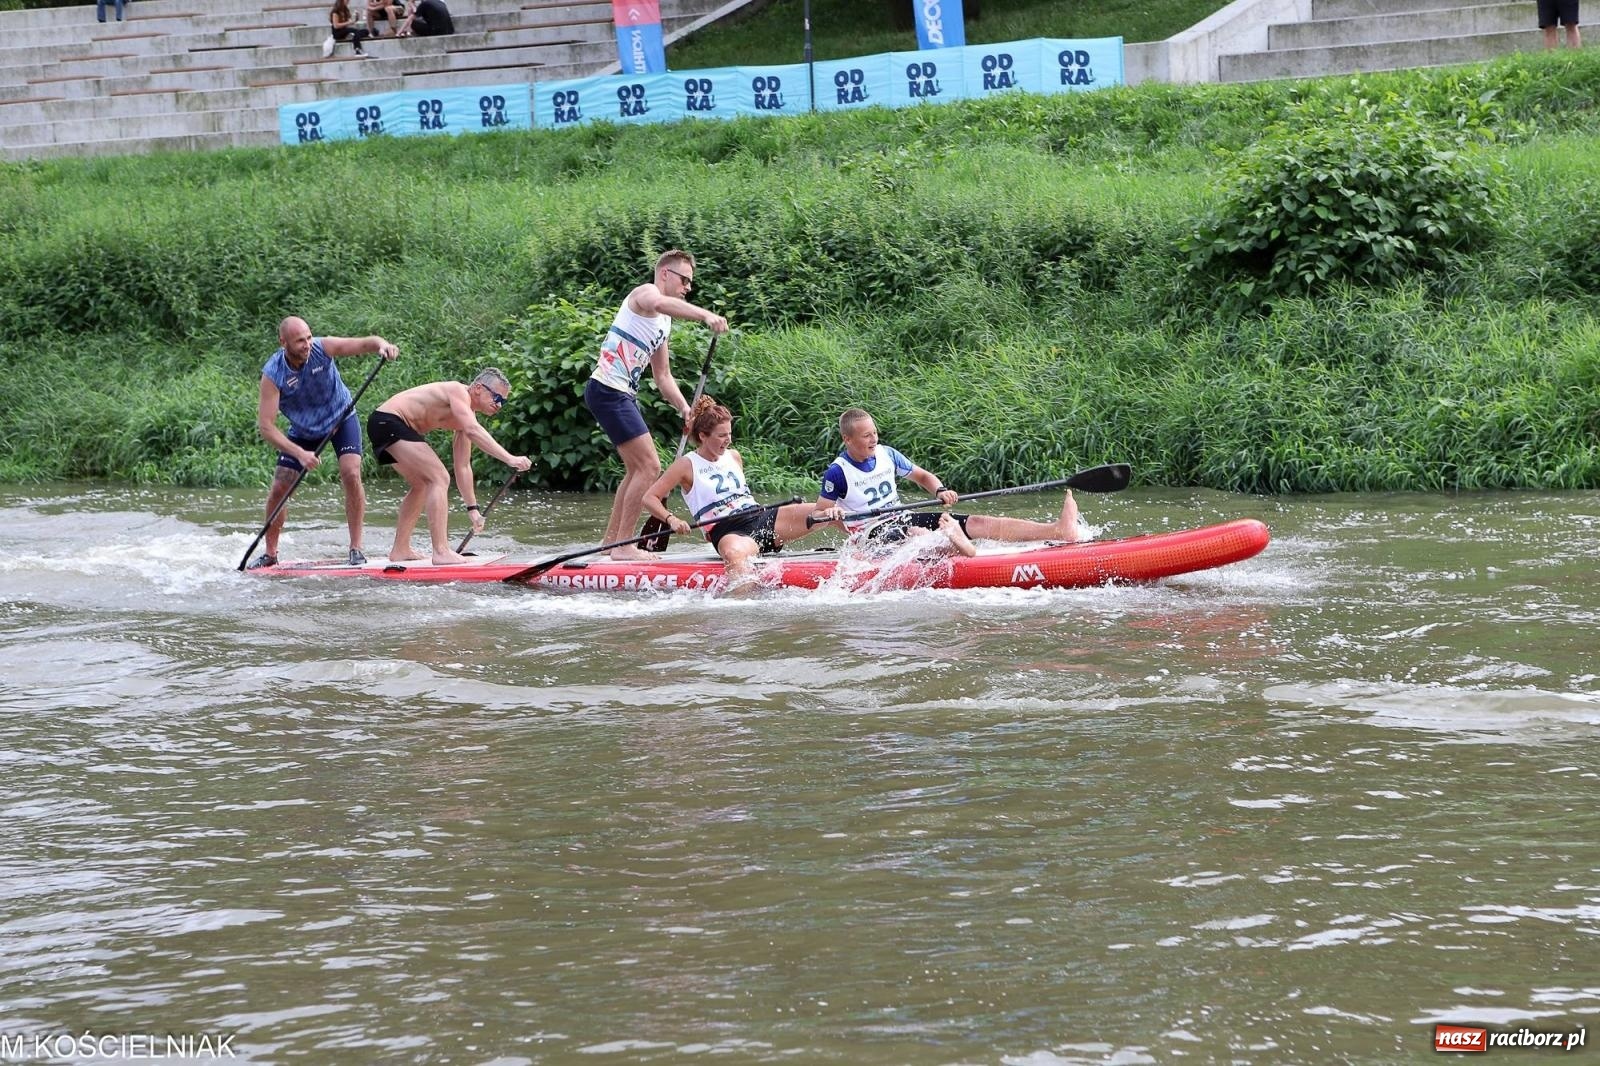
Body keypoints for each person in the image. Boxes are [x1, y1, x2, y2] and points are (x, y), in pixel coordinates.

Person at [585, 249, 729, 562]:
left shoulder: (663, 323)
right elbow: (661, 302)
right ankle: (624, 546)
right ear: (664, 273)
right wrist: (705, 315)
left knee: (636, 469)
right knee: (650, 466)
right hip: (608, 389)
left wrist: (684, 409)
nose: (688, 286)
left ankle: (611, 543)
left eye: (691, 282)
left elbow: (662, 376)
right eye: (684, 279)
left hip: (620, 394)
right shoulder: (646, 294)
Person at [813, 407, 1086, 549]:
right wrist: (836, 516)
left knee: (975, 522)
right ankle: (958, 555)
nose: (874, 439)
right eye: (866, 435)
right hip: (872, 533)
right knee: (917, 535)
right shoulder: (838, 472)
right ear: (847, 439)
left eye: (874, 432)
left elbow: (922, 476)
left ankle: (1056, 531)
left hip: (901, 517)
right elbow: (820, 511)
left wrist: (940, 490)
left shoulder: (887, 454)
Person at [250, 317, 399, 570]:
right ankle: (271, 553)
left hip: (342, 418)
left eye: (308, 337)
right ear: (283, 342)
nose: (307, 344)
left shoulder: (322, 348)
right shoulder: (273, 373)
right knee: (279, 489)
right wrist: (299, 453)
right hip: (303, 431)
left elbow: (363, 344)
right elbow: (266, 426)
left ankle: (356, 549)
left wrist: (381, 345)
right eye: (300, 341)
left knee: (351, 472)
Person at [643, 396, 842, 581]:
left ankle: (869, 548)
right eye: (721, 435)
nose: (728, 439)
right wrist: (672, 519)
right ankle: (745, 607)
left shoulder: (734, 456)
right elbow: (650, 497)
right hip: (729, 531)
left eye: (729, 433)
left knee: (826, 513)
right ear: (703, 436)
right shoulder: (686, 465)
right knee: (733, 554)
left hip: (760, 518)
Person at [366, 368, 531, 565]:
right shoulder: (457, 391)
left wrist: (473, 509)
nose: (498, 404)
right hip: (388, 421)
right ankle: (441, 552)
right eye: (496, 397)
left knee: (422, 485)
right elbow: (473, 430)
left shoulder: (465, 418)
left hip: (387, 425)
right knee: (439, 478)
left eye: (503, 401)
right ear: (478, 388)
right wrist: (510, 458)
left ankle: (400, 550)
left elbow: (463, 466)